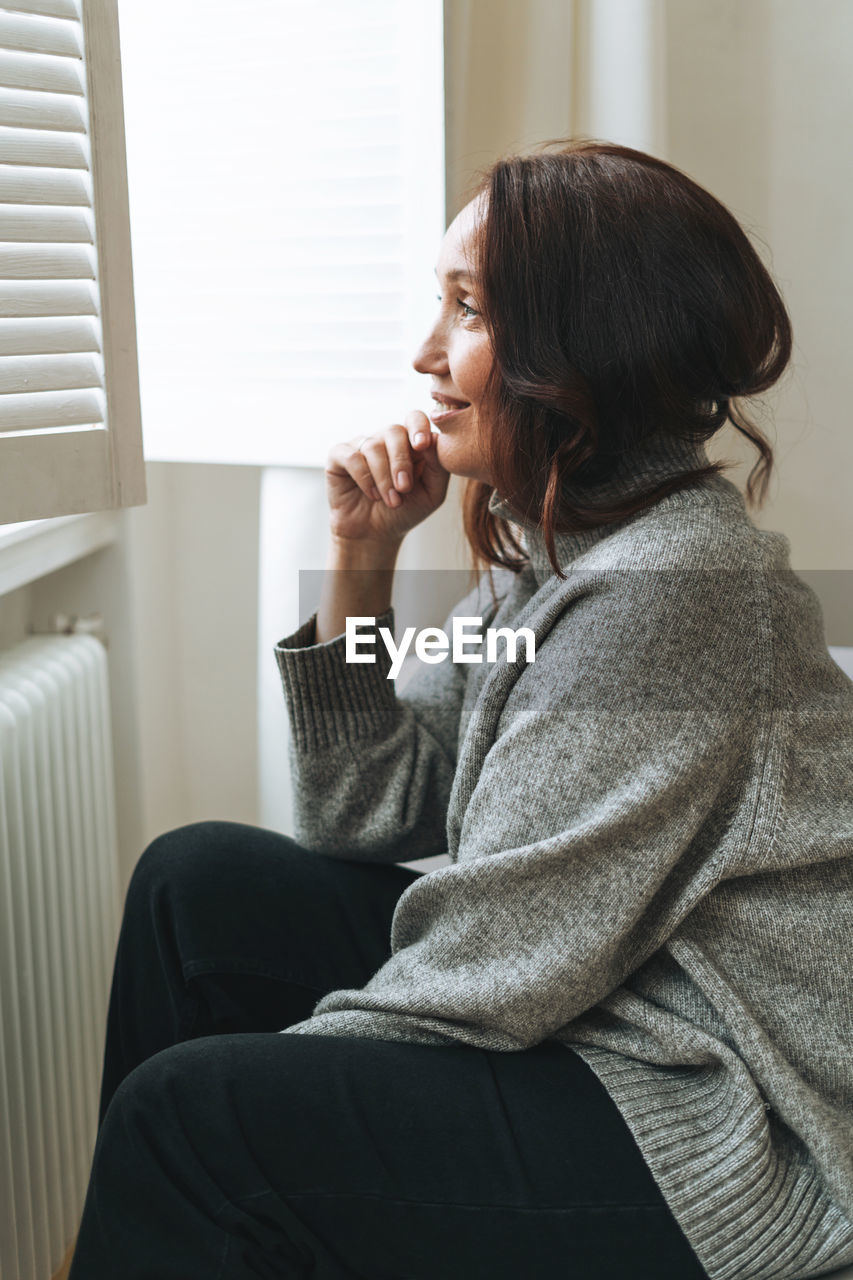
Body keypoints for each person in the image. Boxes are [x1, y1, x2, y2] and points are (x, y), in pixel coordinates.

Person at [68, 141, 853, 1280]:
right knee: (195, 887)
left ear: (577, 344)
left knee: (191, 1119)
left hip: (720, 1106)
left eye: (468, 309)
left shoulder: (671, 595)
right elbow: (367, 812)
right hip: (603, 1005)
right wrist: (362, 557)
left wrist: (260, 1109)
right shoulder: (560, 540)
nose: (425, 353)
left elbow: (488, 975)